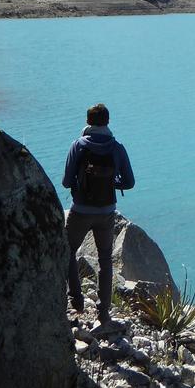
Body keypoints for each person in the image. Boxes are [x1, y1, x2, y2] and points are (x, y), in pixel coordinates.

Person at [62, 103, 135, 327]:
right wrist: (112, 182)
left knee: (67, 250)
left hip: (81, 210)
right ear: (107, 122)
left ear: (88, 122)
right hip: (106, 212)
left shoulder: (78, 146)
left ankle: (76, 299)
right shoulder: (117, 148)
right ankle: (103, 313)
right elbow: (130, 183)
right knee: (105, 260)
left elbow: (66, 182)